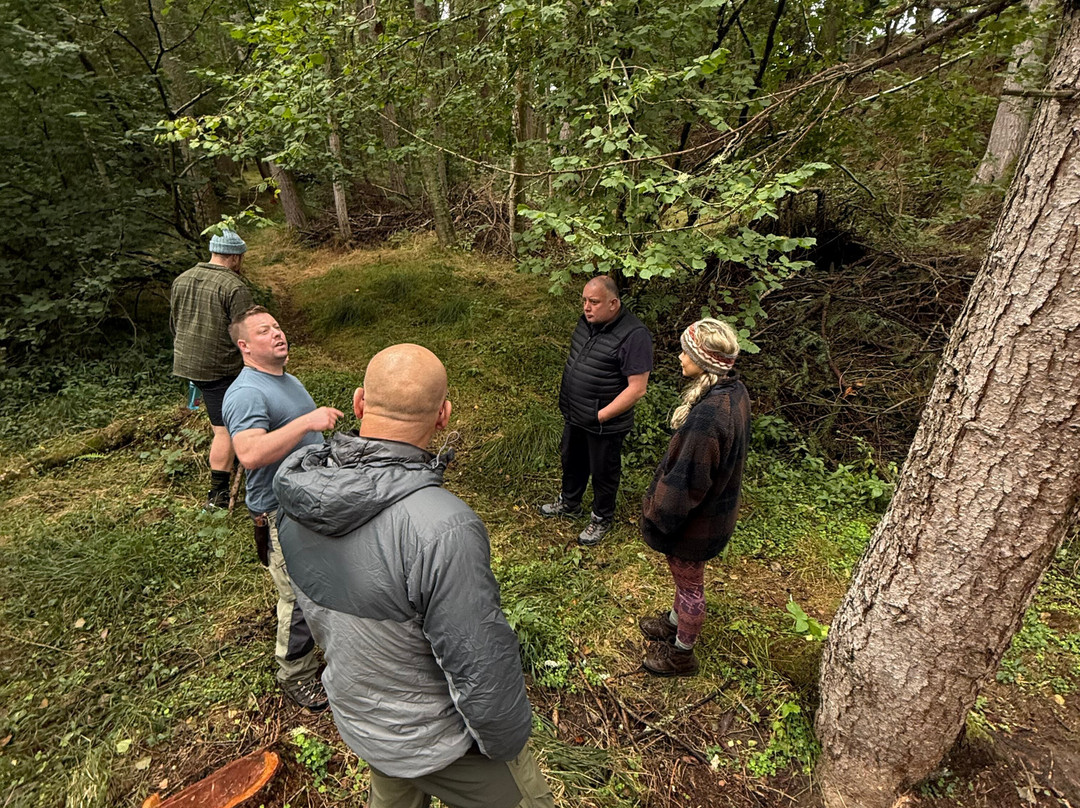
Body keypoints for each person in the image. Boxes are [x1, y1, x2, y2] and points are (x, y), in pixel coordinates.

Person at [274, 344, 556, 808]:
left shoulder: (294, 496)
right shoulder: (443, 528)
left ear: (360, 402)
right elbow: (480, 662)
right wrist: (507, 744)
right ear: (444, 415)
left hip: (364, 719)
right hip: (440, 741)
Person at [221, 306, 344, 710]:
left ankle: (329, 649)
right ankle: (295, 674)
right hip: (279, 511)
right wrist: (307, 423)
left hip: (309, 501)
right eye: (264, 331)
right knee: (297, 595)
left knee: (322, 582)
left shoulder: (287, 380)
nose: (277, 334)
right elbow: (251, 453)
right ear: (245, 346)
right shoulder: (246, 393)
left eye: (277, 326)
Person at [637, 319, 751, 677]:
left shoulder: (707, 418)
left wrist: (658, 515)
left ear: (706, 361)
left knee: (690, 586)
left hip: (695, 524)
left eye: (686, 352)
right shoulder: (734, 392)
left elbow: (687, 484)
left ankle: (682, 653)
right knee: (686, 579)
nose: (680, 357)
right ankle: (674, 622)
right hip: (715, 514)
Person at [540, 276, 653, 546]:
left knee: (604, 472)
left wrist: (601, 415)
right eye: (584, 301)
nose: (586, 307)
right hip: (576, 414)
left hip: (604, 423)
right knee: (572, 460)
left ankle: (601, 518)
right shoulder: (588, 323)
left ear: (614, 303)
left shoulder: (634, 335)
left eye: (594, 302)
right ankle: (569, 503)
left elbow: (637, 388)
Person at [170, 228, 256, 510]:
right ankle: (218, 495)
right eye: (240, 257)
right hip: (220, 367)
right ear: (234, 257)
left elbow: (175, 324)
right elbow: (248, 333)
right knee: (225, 429)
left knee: (222, 421)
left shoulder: (182, 279)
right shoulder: (234, 286)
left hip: (189, 362)